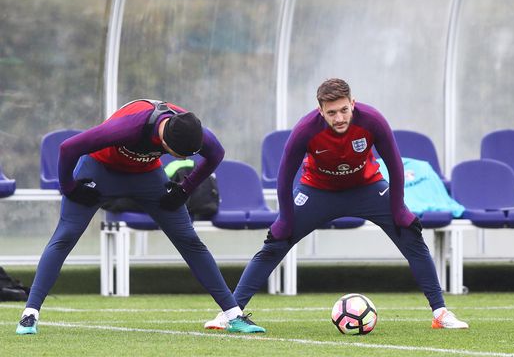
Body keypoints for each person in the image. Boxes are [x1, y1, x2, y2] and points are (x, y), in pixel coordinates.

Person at [204, 78, 468, 330]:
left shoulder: (372, 120)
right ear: (320, 110)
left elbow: (395, 164)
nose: (339, 118)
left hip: (367, 188)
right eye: (332, 112)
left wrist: (399, 208)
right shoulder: (305, 130)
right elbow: (284, 176)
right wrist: (284, 219)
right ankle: (231, 313)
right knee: (274, 244)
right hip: (318, 191)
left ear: (353, 102)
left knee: (411, 234)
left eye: (344, 110)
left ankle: (440, 313)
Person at [16, 99, 263, 335]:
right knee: (66, 236)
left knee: (189, 240)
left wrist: (185, 188)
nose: (185, 160)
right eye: (179, 155)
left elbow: (216, 154)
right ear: (165, 142)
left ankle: (233, 315)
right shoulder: (129, 126)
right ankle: (30, 314)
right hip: (100, 170)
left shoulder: (190, 129)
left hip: (146, 177)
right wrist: (69, 187)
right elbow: (68, 148)